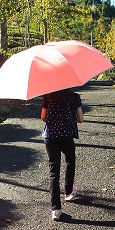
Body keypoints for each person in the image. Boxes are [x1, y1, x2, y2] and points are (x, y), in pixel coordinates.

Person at [41, 88, 84, 221]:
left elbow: (43, 117)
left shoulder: (47, 96)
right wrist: (70, 117)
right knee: (70, 161)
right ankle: (69, 192)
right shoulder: (73, 96)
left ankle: (56, 210)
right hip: (66, 136)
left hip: (50, 137)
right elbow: (81, 119)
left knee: (53, 172)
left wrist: (54, 120)